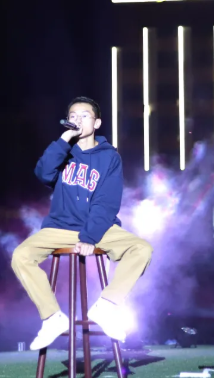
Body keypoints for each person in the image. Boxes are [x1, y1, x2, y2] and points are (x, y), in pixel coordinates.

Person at [11, 96, 153, 350]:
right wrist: (64, 140)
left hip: (97, 227)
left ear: (97, 123)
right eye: (73, 116)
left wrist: (89, 236)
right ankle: (52, 318)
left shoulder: (109, 157)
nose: (77, 119)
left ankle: (106, 306)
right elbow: (43, 173)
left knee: (141, 249)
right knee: (20, 256)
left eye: (84, 115)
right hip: (60, 226)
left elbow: (106, 202)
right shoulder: (63, 151)